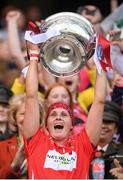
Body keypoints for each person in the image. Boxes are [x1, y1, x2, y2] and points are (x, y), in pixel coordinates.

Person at [23, 39, 107, 179]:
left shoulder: (83, 144)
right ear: (46, 123)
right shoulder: (36, 142)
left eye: (64, 115)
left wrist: (100, 59)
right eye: (53, 114)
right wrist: (33, 55)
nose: (58, 117)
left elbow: (99, 101)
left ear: (72, 124)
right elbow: (31, 96)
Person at [89, 101, 123, 179]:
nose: (103, 126)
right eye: (100, 121)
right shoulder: (80, 151)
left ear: (116, 128)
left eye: (108, 122)